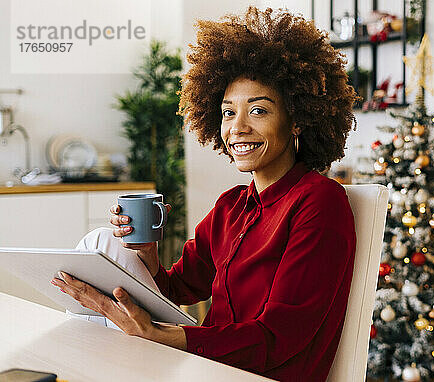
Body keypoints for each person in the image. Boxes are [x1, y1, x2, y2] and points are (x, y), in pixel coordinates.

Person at [51, 6, 359, 381]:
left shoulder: (319, 201)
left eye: (258, 110)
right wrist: (146, 252)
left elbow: (277, 339)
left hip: (260, 374)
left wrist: (162, 336)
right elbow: (176, 288)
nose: (238, 128)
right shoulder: (231, 206)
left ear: (296, 119)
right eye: (228, 113)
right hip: (204, 367)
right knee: (102, 241)